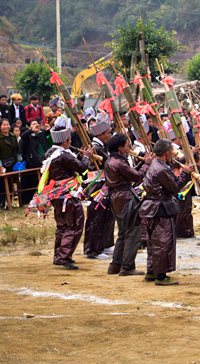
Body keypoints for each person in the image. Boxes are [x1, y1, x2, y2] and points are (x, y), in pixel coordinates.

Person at [32, 117, 92, 269]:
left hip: (57, 196)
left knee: (62, 226)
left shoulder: (51, 153)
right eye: (69, 139)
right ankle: (64, 257)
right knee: (73, 225)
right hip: (67, 195)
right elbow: (81, 167)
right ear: (65, 141)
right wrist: (86, 157)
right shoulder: (64, 155)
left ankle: (60, 255)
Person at [140, 139, 192, 285]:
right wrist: (185, 174)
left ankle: (152, 271)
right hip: (160, 207)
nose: (173, 153)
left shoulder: (157, 164)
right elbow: (174, 187)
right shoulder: (162, 168)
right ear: (166, 152)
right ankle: (160, 275)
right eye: (171, 151)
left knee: (153, 241)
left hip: (152, 207)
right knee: (163, 241)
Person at [104, 134, 152, 276]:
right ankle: (128, 266)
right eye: (127, 145)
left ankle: (115, 265)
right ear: (120, 148)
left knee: (123, 233)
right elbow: (137, 176)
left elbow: (130, 173)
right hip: (125, 198)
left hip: (116, 198)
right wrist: (146, 164)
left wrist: (142, 163)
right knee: (133, 233)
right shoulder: (119, 162)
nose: (129, 148)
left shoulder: (111, 160)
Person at [83, 113, 114, 260]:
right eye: (108, 133)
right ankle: (92, 249)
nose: (110, 135)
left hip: (105, 184)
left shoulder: (102, 146)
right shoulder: (95, 148)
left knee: (107, 215)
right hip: (97, 187)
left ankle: (104, 244)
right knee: (96, 217)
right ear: (101, 134)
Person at [0, 118, 19, 208]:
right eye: (4, 125)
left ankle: (9, 202)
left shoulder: (12, 136)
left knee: (12, 183)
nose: (6, 126)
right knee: (2, 184)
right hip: (2, 164)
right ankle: (2, 202)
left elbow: (16, 150)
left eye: (7, 125)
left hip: (12, 163)